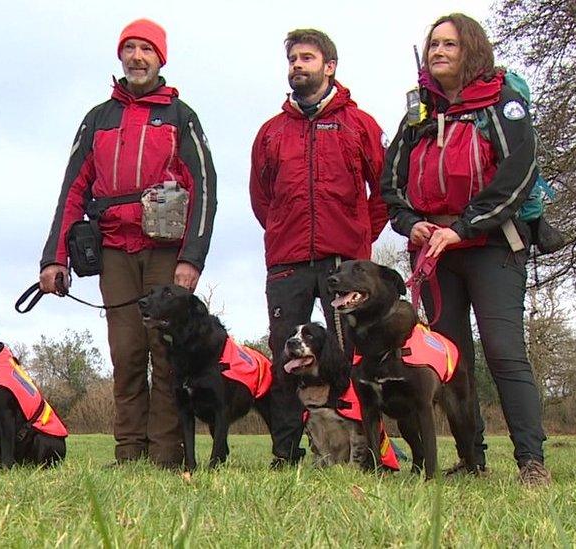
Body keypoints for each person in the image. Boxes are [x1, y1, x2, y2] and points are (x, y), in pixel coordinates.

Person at [38, 18, 216, 469]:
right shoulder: (98, 118)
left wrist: (192, 258)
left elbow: (204, 188)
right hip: (115, 250)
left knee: (166, 353)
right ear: (121, 56)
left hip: (165, 251)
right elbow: (72, 190)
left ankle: (166, 456)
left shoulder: (182, 117)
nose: (137, 57)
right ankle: (129, 453)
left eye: (147, 50)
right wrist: (54, 258)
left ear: (161, 59)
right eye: (130, 48)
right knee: (127, 352)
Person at [380, 13, 550, 485]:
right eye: (433, 43)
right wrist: (411, 224)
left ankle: (531, 462)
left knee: (503, 351)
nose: (438, 51)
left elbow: (518, 174)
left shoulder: (503, 104)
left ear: (470, 49)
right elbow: (391, 184)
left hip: (494, 244)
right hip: (435, 254)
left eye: (449, 44)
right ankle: (471, 460)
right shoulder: (418, 115)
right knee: (451, 358)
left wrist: (464, 226)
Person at [250, 29, 388, 467]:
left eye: (306, 58)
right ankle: (285, 452)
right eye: (292, 58)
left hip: (343, 264)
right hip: (287, 263)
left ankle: (360, 451)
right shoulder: (271, 132)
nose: (297, 65)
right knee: (284, 356)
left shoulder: (359, 124)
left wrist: (361, 241)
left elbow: (383, 190)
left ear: (329, 66)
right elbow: (260, 196)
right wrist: (279, 231)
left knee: (345, 358)